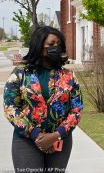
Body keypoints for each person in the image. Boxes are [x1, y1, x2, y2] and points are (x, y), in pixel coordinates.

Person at [3, 26, 83, 172]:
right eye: (51, 44)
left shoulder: (69, 76)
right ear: (39, 48)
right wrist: (37, 136)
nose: (56, 48)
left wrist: (56, 135)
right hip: (26, 141)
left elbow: (76, 110)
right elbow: (10, 108)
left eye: (59, 44)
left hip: (60, 141)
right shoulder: (21, 74)